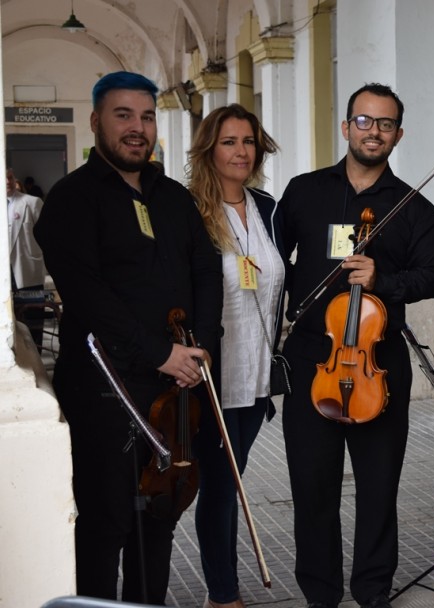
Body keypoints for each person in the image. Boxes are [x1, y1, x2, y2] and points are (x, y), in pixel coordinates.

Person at [33, 71, 222, 604]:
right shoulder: (71, 200)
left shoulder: (174, 197)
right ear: (96, 122)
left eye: (145, 116)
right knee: (106, 519)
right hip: (105, 389)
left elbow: (206, 269)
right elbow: (89, 297)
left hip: (173, 386)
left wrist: (201, 343)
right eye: (123, 116)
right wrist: (160, 352)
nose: (137, 128)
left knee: (158, 517)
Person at [279, 83, 434, 608]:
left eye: (385, 124)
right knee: (312, 488)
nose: (373, 131)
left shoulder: (414, 208)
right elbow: (270, 260)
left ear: (399, 134)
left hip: (379, 360)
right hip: (313, 357)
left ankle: (373, 591)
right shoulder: (304, 191)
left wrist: (385, 281)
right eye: (364, 120)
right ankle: (320, 595)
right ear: (347, 124)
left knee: (378, 488)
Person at [187, 104, 284, 608]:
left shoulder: (267, 208)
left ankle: (222, 588)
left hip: (256, 374)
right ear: (209, 149)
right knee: (222, 487)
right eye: (229, 141)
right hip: (213, 375)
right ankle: (222, 594)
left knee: (231, 482)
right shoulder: (189, 212)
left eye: (248, 141)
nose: (241, 151)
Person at [7, 167, 48, 347]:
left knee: (33, 321)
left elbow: (49, 237)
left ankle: (37, 360)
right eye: (4, 178)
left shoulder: (32, 202)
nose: (8, 181)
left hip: (28, 271)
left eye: (10, 177)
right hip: (5, 275)